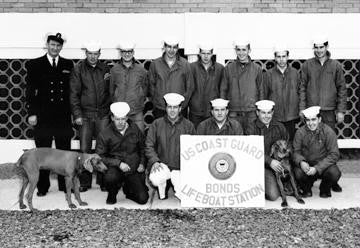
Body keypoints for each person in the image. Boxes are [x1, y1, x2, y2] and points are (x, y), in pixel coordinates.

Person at [25, 32, 74, 196]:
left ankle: (63, 185)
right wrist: (32, 113)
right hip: (43, 115)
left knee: (63, 152)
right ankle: (43, 186)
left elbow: (71, 91)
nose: (55, 48)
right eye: (52, 44)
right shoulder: (35, 64)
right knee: (44, 152)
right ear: (47, 44)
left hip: (62, 115)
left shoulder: (68, 64)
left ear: (61, 47)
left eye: (58, 45)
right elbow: (31, 91)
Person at [69, 41, 111, 192]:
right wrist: (77, 114)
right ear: (86, 53)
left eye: (95, 54)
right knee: (85, 149)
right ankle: (85, 182)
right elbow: (74, 94)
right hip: (85, 115)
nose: (93, 57)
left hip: (102, 115)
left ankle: (103, 181)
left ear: (99, 54)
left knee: (102, 148)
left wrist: (108, 111)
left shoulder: (105, 69)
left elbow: (109, 92)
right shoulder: (78, 69)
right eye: (90, 54)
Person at [95, 102, 149, 205]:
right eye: (117, 119)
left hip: (133, 168)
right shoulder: (104, 134)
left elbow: (142, 148)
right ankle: (112, 193)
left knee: (143, 199)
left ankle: (128, 190)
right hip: (115, 169)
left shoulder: (135, 129)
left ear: (127, 118)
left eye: (123, 119)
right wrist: (118, 163)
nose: (120, 122)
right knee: (110, 178)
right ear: (112, 118)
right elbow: (100, 156)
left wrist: (142, 163)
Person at [145, 93, 195, 199]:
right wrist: (155, 161)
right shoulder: (157, 124)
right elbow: (149, 145)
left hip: (179, 167)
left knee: (185, 197)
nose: (172, 110)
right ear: (166, 108)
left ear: (180, 109)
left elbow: (194, 149)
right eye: (169, 107)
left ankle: (174, 182)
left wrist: (188, 168)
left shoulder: (188, 125)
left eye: (175, 107)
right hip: (162, 165)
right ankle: (163, 186)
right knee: (156, 178)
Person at [293, 106, 342, 198]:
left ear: (319, 119)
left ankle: (324, 189)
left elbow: (334, 154)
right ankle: (307, 189)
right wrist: (301, 162)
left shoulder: (328, 132)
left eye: (313, 119)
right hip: (307, 165)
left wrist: (317, 168)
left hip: (323, 165)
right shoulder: (300, 132)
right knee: (297, 172)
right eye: (308, 120)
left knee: (334, 173)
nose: (311, 123)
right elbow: (296, 151)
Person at [300, 36, 347, 131]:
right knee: (312, 140)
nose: (319, 50)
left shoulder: (335, 65)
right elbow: (302, 88)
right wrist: (302, 108)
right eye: (316, 47)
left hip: (329, 111)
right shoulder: (307, 65)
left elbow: (341, 89)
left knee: (329, 138)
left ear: (327, 47)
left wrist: (341, 111)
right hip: (311, 111)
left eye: (321, 47)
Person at [220, 38, 264, 135]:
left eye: (244, 50)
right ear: (235, 51)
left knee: (251, 140)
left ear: (249, 50)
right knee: (234, 140)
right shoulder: (229, 68)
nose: (241, 53)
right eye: (238, 50)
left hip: (251, 112)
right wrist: (223, 108)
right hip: (233, 112)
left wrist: (260, 110)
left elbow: (261, 90)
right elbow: (223, 90)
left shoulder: (257, 69)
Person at [247, 100, 289, 201]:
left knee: (276, 194)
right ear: (257, 113)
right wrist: (269, 161)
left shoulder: (279, 127)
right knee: (273, 195)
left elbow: (287, 145)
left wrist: (282, 159)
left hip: (278, 164)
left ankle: (279, 183)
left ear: (273, 112)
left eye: (269, 112)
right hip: (260, 165)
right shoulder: (251, 128)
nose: (266, 116)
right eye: (263, 113)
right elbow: (250, 151)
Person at [148, 36, 194, 119]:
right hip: (161, 108)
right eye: (169, 47)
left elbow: (190, 87)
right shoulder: (155, 64)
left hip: (179, 109)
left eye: (174, 47)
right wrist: (157, 102)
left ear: (178, 48)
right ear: (164, 47)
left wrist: (182, 105)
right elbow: (151, 85)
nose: (171, 50)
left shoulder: (185, 64)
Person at [264, 45, 301, 141]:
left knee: (290, 141)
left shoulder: (295, 73)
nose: (281, 59)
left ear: (288, 57)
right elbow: (264, 94)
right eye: (279, 57)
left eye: (284, 56)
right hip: (275, 115)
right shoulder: (269, 74)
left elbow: (300, 92)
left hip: (291, 115)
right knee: (276, 142)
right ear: (275, 58)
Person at [110, 41, 148, 132]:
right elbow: (111, 90)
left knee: (140, 139)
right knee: (120, 140)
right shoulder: (114, 70)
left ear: (133, 53)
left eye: (129, 52)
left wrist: (139, 98)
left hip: (136, 111)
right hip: (120, 114)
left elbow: (145, 88)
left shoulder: (141, 70)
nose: (127, 54)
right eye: (124, 52)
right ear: (121, 53)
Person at [189, 42, 224, 128]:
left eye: (208, 53)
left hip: (212, 111)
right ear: (199, 54)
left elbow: (222, 89)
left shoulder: (219, 68)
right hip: (195, 111)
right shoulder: (191, 67)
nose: (206, 56)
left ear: (212, 54)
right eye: (203, 53)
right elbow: (189, 88)